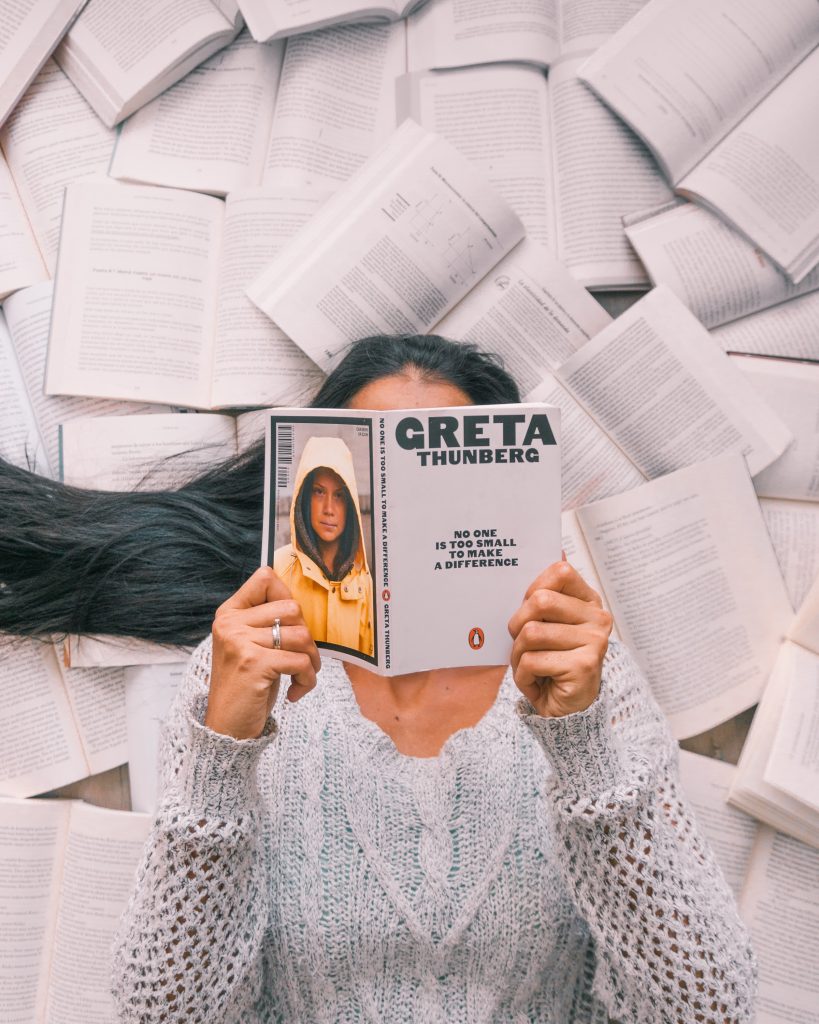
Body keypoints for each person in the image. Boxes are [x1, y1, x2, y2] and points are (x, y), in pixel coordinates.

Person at [0, 335, 755, 1023]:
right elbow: (167, 1013)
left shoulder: (583, 677)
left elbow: (707, 1007)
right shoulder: (253, 671)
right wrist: (221, 751)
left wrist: (581, 744)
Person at [273, 435, 373, 656]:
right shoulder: (278, 567)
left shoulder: (363, 581)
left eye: (339, 496)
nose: (329, 508)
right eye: (319, 492)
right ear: (304, 497)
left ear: (351, 506)